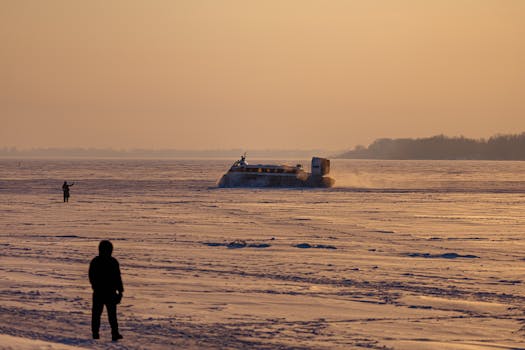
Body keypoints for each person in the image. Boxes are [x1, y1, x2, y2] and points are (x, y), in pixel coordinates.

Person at [89, 240, 124, 341]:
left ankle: (102, 334)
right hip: (106, 292)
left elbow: (117, 277)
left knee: (100, 315)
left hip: (103, 292)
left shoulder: (97, 261)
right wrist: (120, 291)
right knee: (106, 315)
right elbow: (118, 277)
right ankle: (110, 333)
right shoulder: (111, 261)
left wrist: (120, 291)